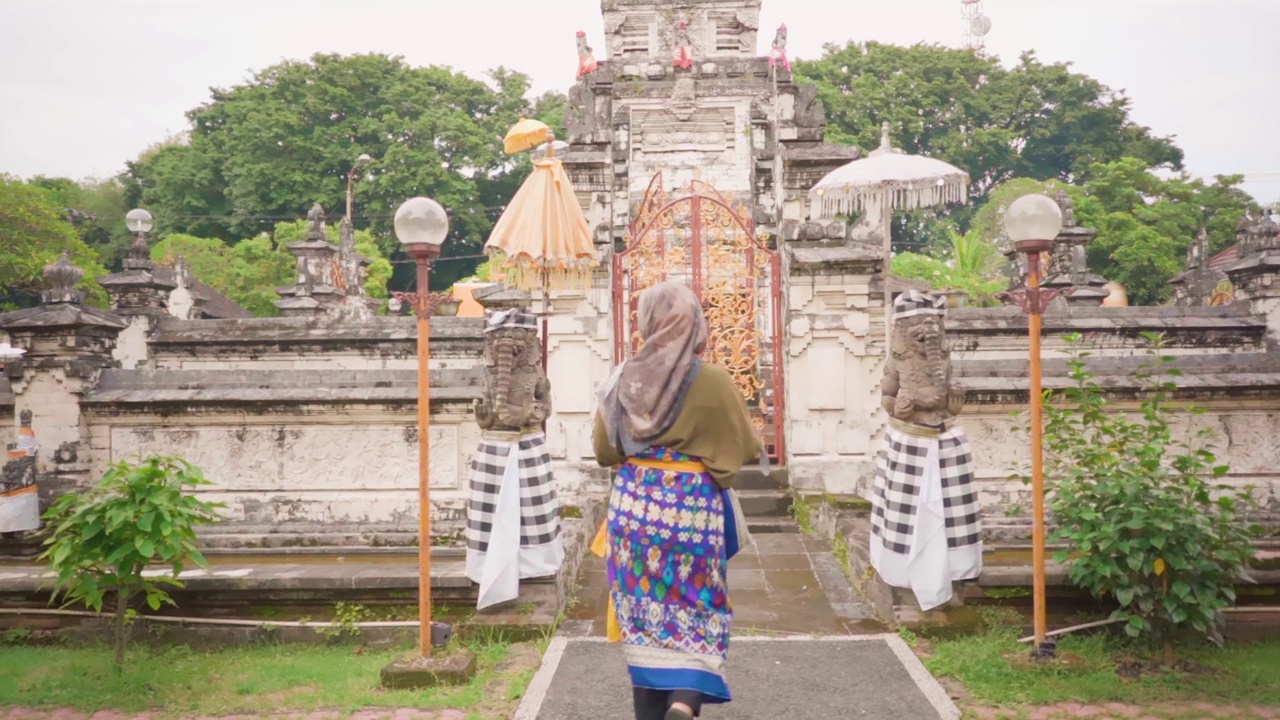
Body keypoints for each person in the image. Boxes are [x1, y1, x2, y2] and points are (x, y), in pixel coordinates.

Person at [592, 281, 761, 720]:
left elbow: (604, 450)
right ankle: (685, 701)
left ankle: (650, 710)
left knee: (645, 612)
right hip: (692, 512)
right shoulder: (716, 380)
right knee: (698, 604)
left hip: (634, 510)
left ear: (648, 322)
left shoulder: (622, 377)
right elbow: (742, 450)